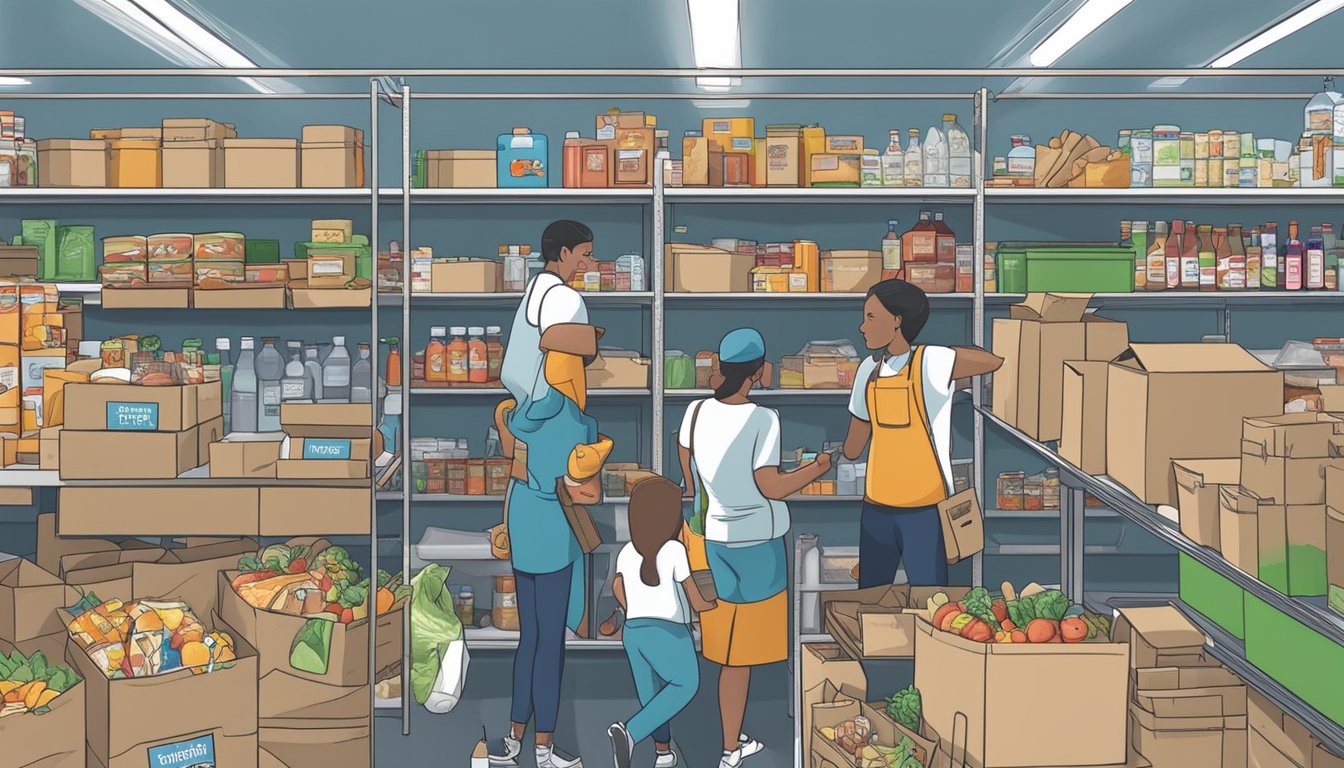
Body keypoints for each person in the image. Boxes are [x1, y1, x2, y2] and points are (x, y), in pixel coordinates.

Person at [676, 328, 834, 768]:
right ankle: (731, 750)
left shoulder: (695, 411)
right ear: (757, 372)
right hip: (758, 547)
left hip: (713, 543)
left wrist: (694, 486)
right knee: (748, 655)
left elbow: (684, 450)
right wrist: (817, 467)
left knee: (727, 651)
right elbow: (772, 486)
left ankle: (730, 738)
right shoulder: (764, 419)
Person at [491, 220, 604, 768]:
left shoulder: (519, 415)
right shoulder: (568, 416)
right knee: (551, 643)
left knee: (528, 637)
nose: (588, 262)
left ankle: (514, 735)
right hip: (554, 526)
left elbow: (523, 467)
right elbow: (581, 486)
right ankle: (545, 746)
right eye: (583, 254)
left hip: (522, 521)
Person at [842, 279, 1003, 588]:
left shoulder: (929, 362)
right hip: (885, 508)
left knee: (908, 601)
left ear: (897, 321)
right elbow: (992, 360)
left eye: (871, 317)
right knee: (925, 600)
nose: (863, 327)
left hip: (921, 511)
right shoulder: (871, 369)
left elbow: (852, 449)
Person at [607, 475, 718, 768]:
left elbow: (617, 587)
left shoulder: (628, 551)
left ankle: (663, 753)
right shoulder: (674, 550)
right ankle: (628, 733)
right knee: (685, 684)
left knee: (653, 698)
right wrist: (715, 604)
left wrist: (634, 606)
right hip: (668, 632)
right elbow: (696, 600)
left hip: (633, 633)